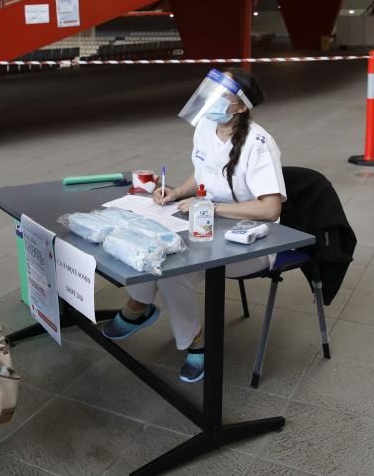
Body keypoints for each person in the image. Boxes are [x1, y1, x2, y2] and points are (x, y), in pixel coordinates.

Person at [102, 69, 284, 383]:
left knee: (174, 265)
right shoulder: (205, 126)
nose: (210, 98)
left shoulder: (259, 143)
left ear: (239, 107)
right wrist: (176, 192)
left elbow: (270, 209)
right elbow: (202, 174)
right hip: (207, 224)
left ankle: (186, 337)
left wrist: (213, 208)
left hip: (252, 241)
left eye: (220, 94)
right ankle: (153, 311)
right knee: (153, 245)